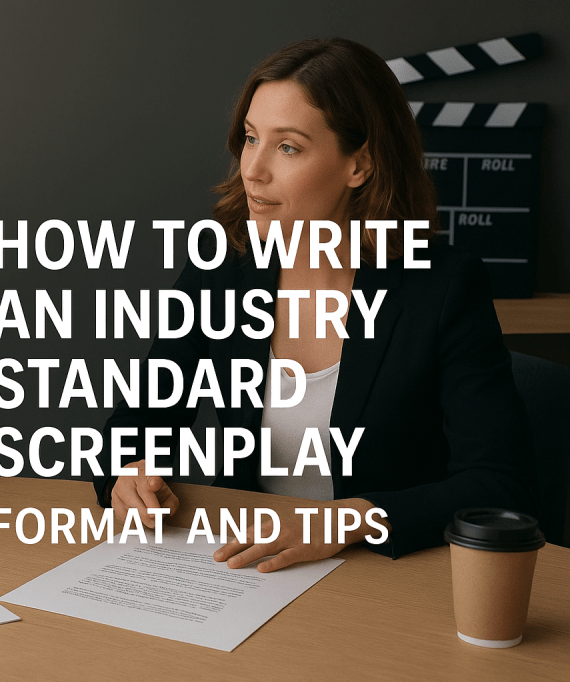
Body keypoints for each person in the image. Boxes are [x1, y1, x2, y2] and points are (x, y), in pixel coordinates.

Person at [95, 38, 534, 571]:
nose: (252, 170)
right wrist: (129, 470)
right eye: (251, 138)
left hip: (385, 572)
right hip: (245, 566)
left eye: (288, 147)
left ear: (360, 164)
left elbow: (498, 482)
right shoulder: (222, 264)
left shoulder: (444, 286)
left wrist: (348, 518)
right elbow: (138, 421)